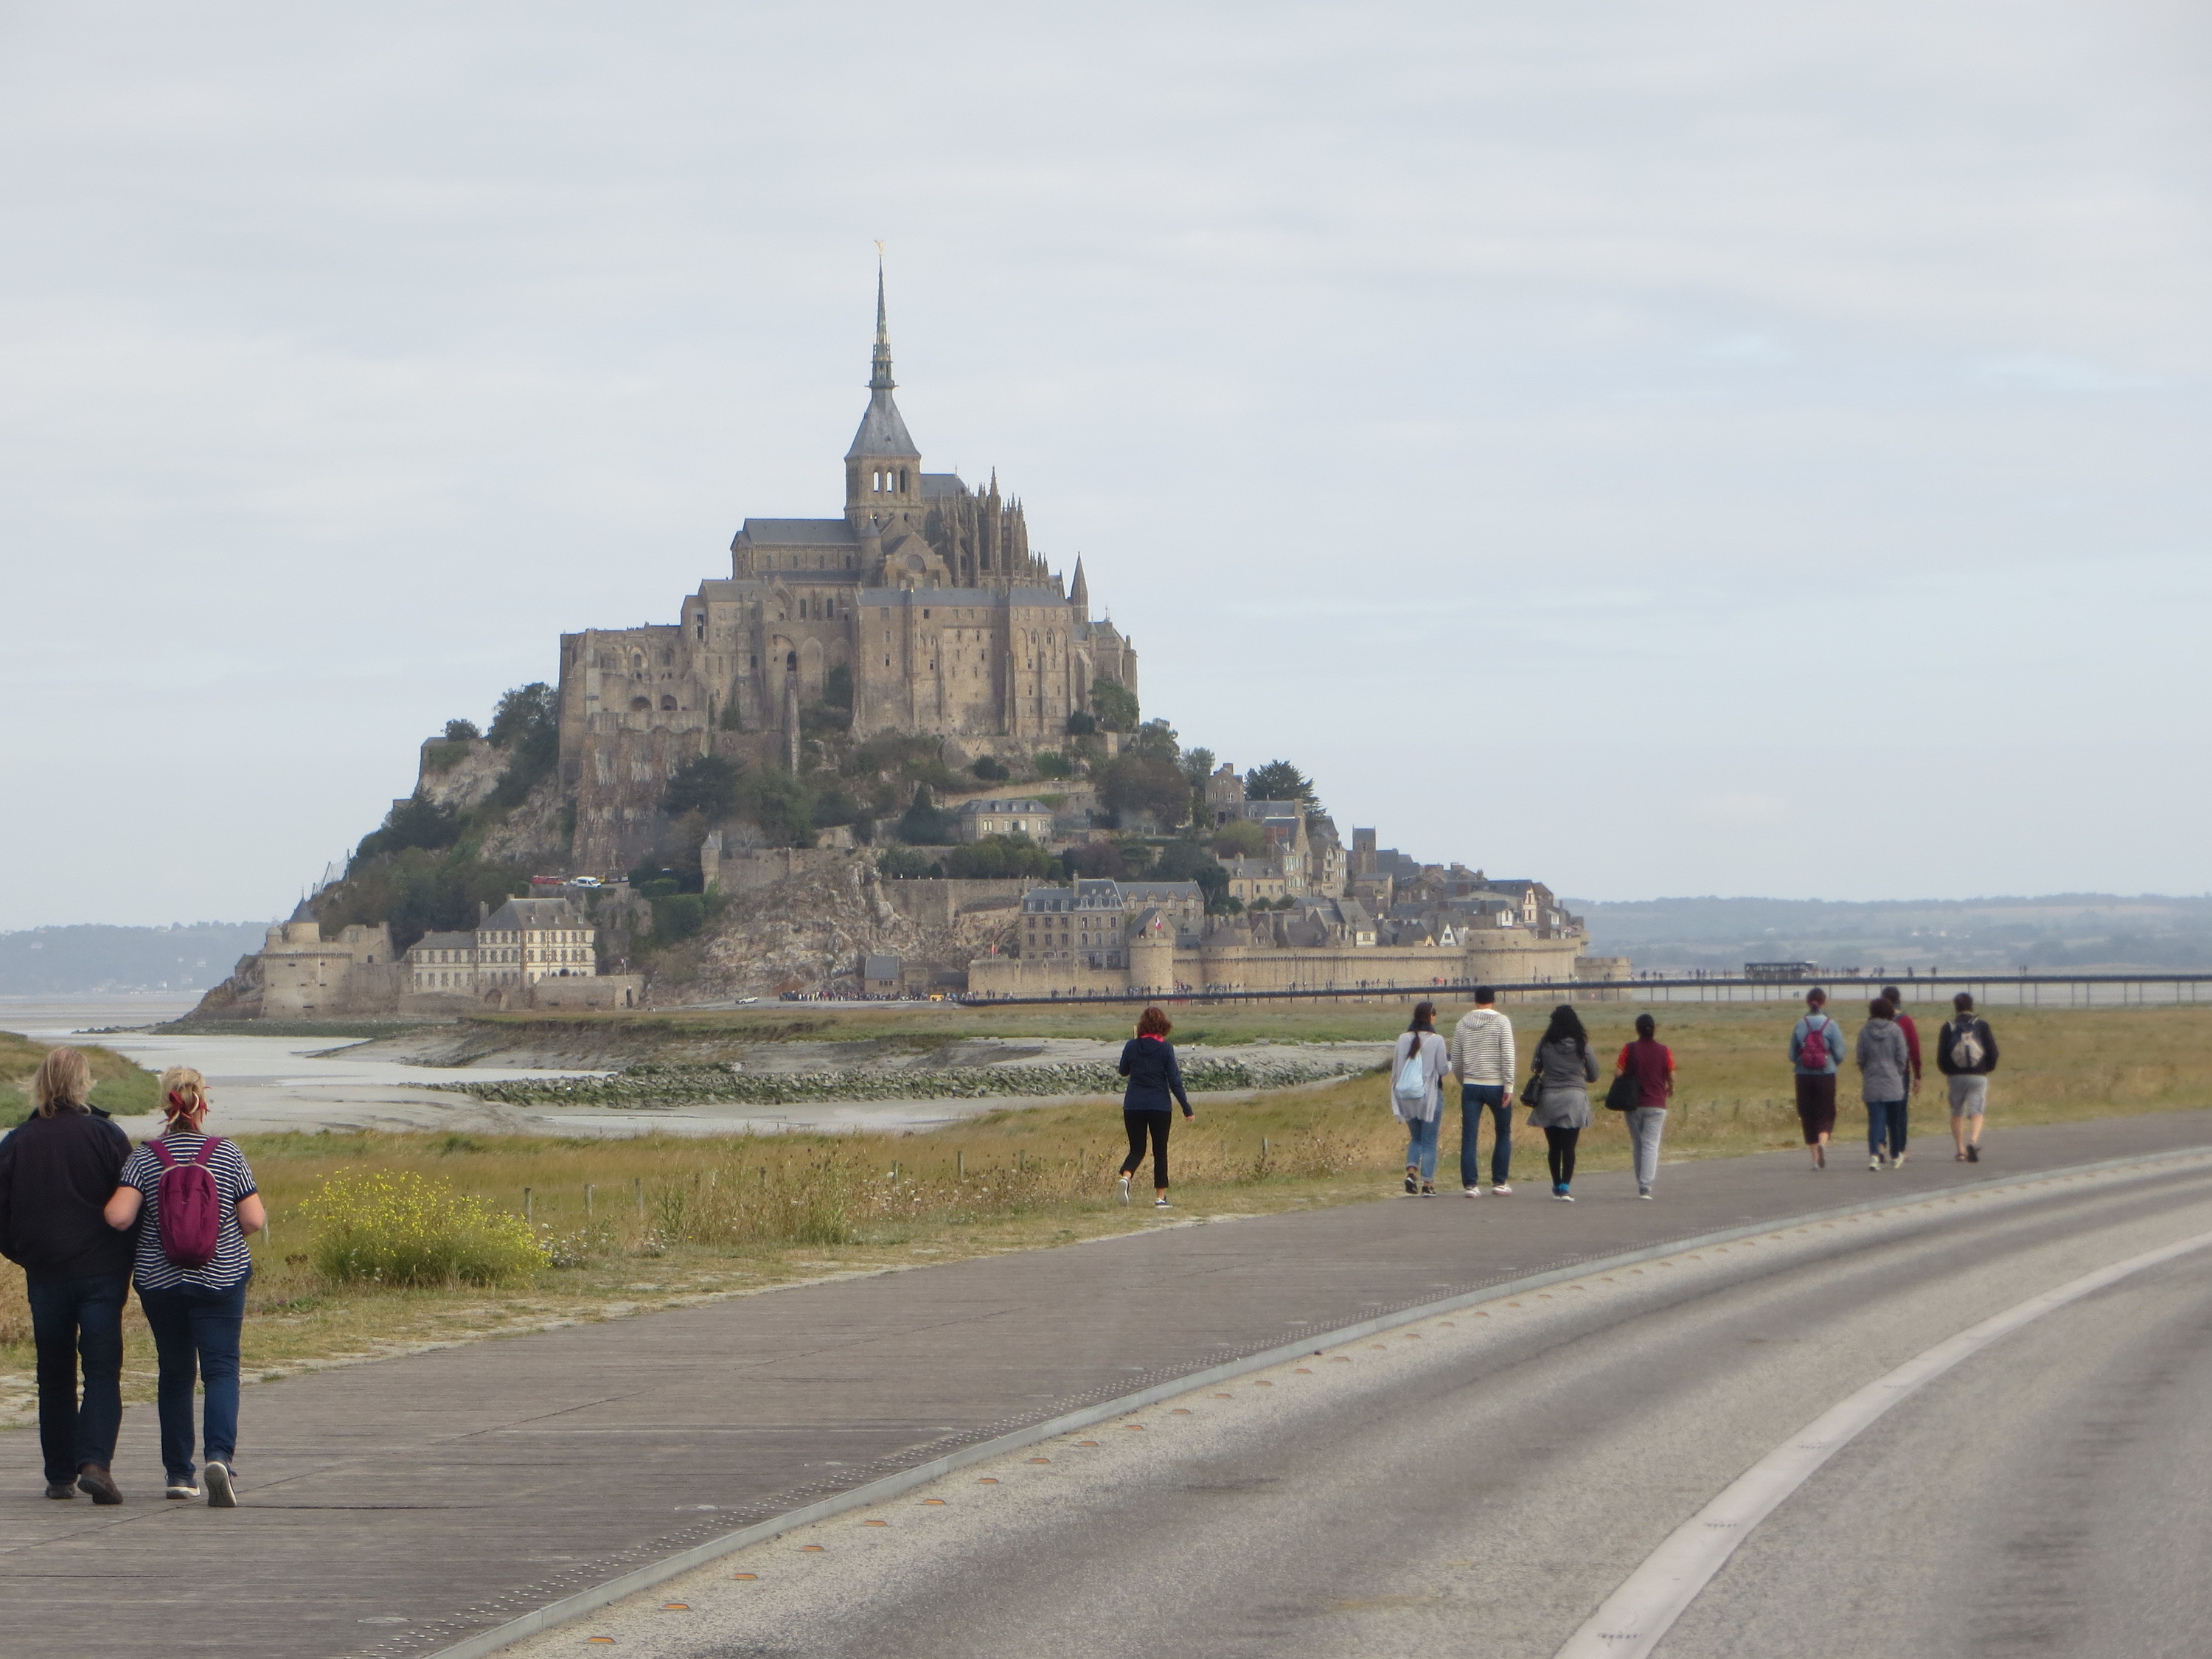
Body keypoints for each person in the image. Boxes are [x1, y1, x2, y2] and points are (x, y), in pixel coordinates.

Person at [104, 1067, 265, 1506]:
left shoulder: (145, 1156)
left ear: (166, 1102)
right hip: (221, 1279)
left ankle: (179, 1474)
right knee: (221, 1369)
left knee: (175, 1372)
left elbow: (118, 1217)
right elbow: (253, 1219)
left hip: (162, 1282)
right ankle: (220, 1459)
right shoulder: (227, 1154)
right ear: (202, 1102)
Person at [0, 1047, 133, 1503]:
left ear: (39, 1083)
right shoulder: (107, 1136)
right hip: (103, 1272)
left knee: (54, 1374)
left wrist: (25, 1254)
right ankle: (95, 1463)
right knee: (101, 1371)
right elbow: (132, 1204)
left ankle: (59, 1473)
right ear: (84, 1083)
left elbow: (1, 1216)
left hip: (46, 1274)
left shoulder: (17, 1141)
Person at [1115, 1009, 1194, 1208]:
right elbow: (1175, 1081)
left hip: (1133, 1105)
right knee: (1160, 1151)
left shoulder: (1131, 1045)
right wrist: (1187, 1108)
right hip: (1159, 1105)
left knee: (1137, 1149)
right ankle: (1160, 1198)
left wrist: (1134, 1055)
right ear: (1163, 1026)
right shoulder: (1166, 1048)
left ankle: (1126, 1176)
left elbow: (1123, 1071)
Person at [1449, 986, 1517, 1196]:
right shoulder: (1502, 1021)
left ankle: (1471, 1185)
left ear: (1475, 1001)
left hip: (1471, 1085)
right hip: (1496, 1084)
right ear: (1493, 1000)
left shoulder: (1462, 1024)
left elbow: (1456, 1059)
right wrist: (1509, 1085)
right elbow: (1507, 1055)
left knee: (1469, 1136)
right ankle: (1499, 1182)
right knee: (1503, 1133)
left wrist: (1464, 1081)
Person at [1528, 1004, 1599, 1201]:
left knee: (1554, 1147)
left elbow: (1535, 1066)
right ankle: (1565, 1187)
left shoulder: (1545, 1043)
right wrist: (1578, 1077)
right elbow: (1594, 1074)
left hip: (1549, 1097)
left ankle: (1556, 1184)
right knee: (1569, 1147)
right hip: (1574, 1098)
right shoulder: (1582, 1045)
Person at [1613, 1012, 1674, 1199]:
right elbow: (1671, 1074)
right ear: (1654, 1029)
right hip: (1657, 1102)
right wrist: (1671, 1088)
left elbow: (1617, 1073)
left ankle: (1641, 1181)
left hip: (1633, 1103)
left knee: (1638, 1144)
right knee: (1651, 1144)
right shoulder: (1664, 1051)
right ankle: (1645, 1186)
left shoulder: (1629, 1049)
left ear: (1637, 1030)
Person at [1391, 1002, 1450, 1195]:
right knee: (1429, 1141)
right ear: (1431, 1016)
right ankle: (1427, 1184)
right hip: (1428, 1096)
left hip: (1406, 1095)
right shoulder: (1436, 1040)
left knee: (1416, 1138)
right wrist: (1451, 1065)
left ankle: (1410, 1173)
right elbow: (1442, 1069)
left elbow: (1396, 1069)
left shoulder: (1402, 1039)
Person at [1936, 992, 2000, 1162]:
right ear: (1972, 1006)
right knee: (1976, 1111)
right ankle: (1973, 1141)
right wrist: (1986, 1068)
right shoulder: (1982, 1025)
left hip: (1955, 1075)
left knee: (1956, 1111)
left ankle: (1960, 1150)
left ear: (1955, 1007)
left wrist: (1948, 1071)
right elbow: (1993, 1052)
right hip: (1978, 1074)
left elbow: (1941, 1056)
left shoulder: (1948, 1027)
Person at [1788, 988, 1845, 1169]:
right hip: (1826, 1074)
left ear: (1808, 1002)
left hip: (1803, 1075)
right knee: (1827, 1112)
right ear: (1824, 1002)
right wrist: (1831, 1062)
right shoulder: (1831, 1024)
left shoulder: (1800, 1024)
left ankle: (1814, 1160)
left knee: (1807, 1114)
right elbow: (1840, 1053)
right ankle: (1823, 1141)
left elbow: (1791, 1054)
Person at [1857, 998, 1912, 1170]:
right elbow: (1902, 1056)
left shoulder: (1865, 1031)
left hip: (1872, 1081)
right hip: (1893, 1081)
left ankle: (1874, 1155)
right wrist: (1898, 1072)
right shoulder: (1896, 1031)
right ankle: (1896, 1155)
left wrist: (1868, 1071)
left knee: (1875, 1121)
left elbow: (1860, 1058)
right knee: (1894, 1122)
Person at [1882, 984, 1924, 1104]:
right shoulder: (1906, 1021)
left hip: (1879, 1071)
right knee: (1900, 1111)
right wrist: (1917, 1076)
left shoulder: (1874, 1021)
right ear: (1898, 1000)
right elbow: (1914, 1049)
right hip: (1901, 1071)